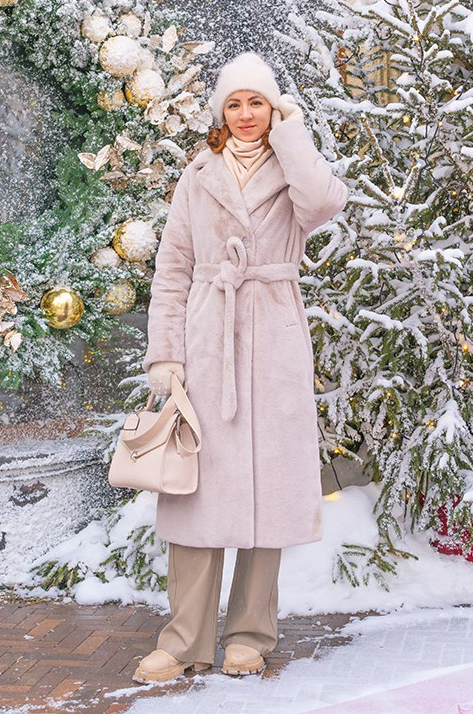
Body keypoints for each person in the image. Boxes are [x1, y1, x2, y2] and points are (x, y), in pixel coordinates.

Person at [133, 51, 348, 684]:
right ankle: (182, 640)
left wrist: (293, 128)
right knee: (200, 493)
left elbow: (326, 201)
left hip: (276, 337)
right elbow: (172, 270)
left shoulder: (292, 167)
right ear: (220, 113)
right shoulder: (197, 176)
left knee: (267, 491)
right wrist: (166, 356)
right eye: (236, 103)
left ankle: (251, 635)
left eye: (258, 102)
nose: (247, 114)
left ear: (273, 108)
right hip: (209, 337)